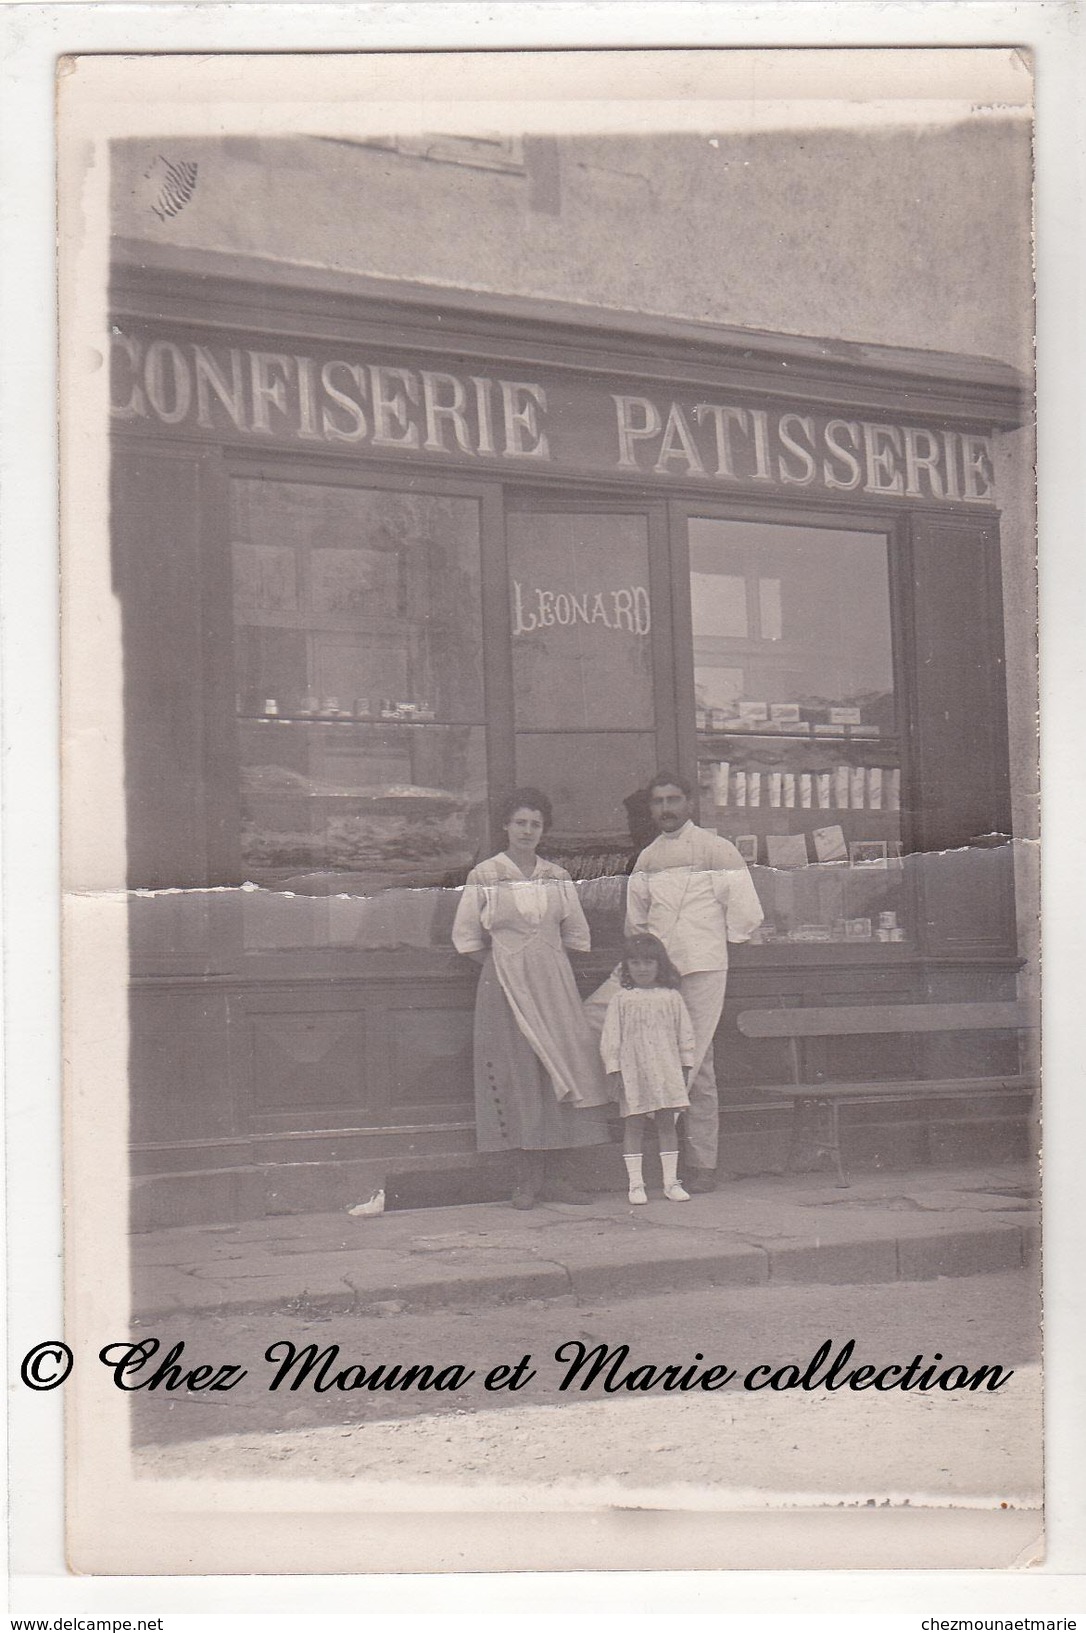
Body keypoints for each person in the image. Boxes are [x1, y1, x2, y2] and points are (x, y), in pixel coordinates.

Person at [586, 771, 763, 1192]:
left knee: (694, 1062)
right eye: (658, 802)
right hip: (656, 971)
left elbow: (745, 912)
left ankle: (702, 1164)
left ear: (689, 804)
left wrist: (713, 943)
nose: (666, 809)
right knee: (593, 1017)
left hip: (702, 968)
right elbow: (637, 923)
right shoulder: (647, 858)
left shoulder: (717, 850)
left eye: (674, 800)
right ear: (651, 809)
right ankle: (638, 1148)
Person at [451, 787, 613, 1209]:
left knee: (559, 1071)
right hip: (503, 986)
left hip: (553, 985)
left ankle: (557, 1177)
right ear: (505, 826)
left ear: (544, 830)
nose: (527, 831)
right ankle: (524, 1180)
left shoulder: (556, 877)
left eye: (535, 824)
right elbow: (466, 938)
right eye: (520, 822)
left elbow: (577, 935)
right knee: (517, 1073)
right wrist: (505, 962)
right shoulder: (486, 875)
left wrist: (545, 961)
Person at [600, 934, 697, 1205]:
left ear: (660, 964)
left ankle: (670, 1182)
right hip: (634, 1070)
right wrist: (615, 1071)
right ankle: (636, 1184)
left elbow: (685, 1035)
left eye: (648, 962)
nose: (642, 968)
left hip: (666, 1068)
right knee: (634, 1124)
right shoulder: (621, 999)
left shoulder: (671, 997)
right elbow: (611, 1038)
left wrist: (685, 1067)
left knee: (667, 1124)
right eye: (635, 962)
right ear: (626, 966)